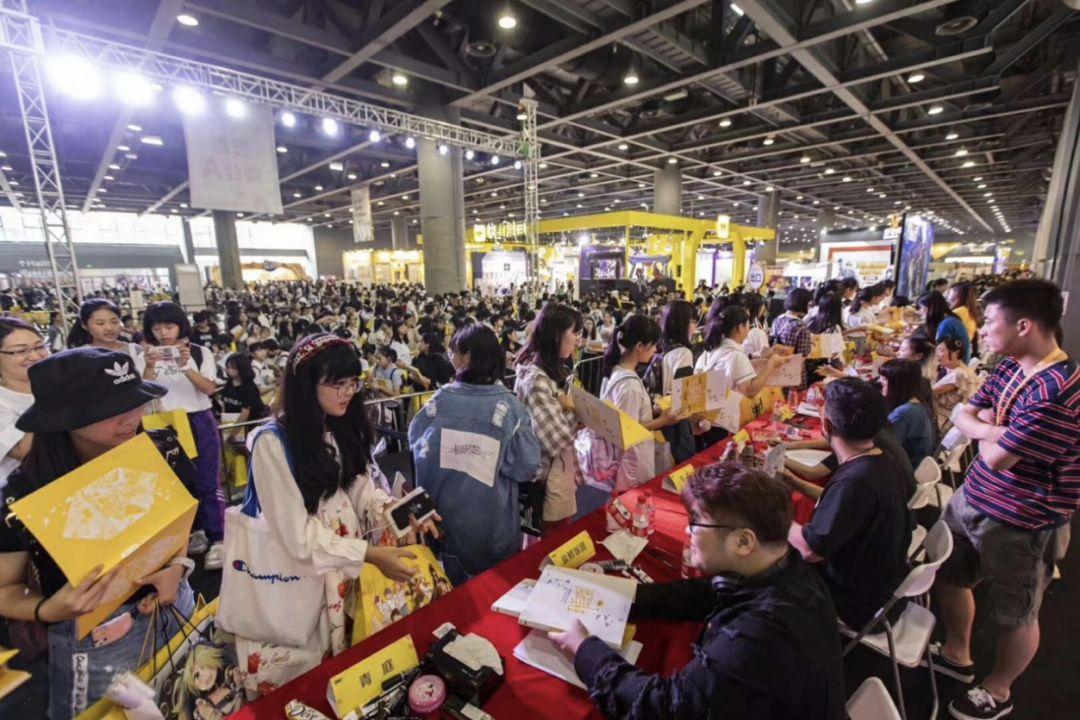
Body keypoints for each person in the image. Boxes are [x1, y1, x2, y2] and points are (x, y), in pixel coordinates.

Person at [549, 462, 845, 720]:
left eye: (696, 523)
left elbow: (663, 708)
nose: (687, 531)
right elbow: (704, 594)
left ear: (743, 542)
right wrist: (621, 598)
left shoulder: (759, 635)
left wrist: (585, 650)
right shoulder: (787, 568)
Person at [230, 334, 436, 699]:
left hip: (343, 570)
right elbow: (297, 537)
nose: (348, 393)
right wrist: (370, 554)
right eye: (337, 384)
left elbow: (361, 490)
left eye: (353, 382)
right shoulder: (273, 444)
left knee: (344, 667)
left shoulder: (340, 426)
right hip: (299, 577)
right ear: (306, 386)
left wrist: (400, 513)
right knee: (303, 683)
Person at [0, 348, 197, 718]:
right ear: (61, 418)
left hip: (176, 606)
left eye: (136, 403)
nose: (131, 418)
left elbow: (181, 522)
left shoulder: (163, 449)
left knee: (192, 699)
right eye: (108, 410)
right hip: (99, 641)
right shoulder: (27, 493)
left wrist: (178, 566)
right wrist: (46, 609)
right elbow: (6, 588)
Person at [932, 279, 1078, 720]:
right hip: (973, 498)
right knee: (951, 575)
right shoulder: (1010, 366)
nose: (982, 330)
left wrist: (986, 432)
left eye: (991, 321)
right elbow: (962, 412)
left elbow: (995, 458)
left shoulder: (1057, 390)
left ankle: (998, 689)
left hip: (1020, 519)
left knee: (1016, 613)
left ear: (1024, 325)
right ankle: (958, 652)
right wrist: (995, 428)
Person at [409, 324, 541, 585]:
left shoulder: (438, 402)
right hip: (491, 528)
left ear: (468, 357)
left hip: (443, 524)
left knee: (449, 594)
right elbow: (527, 466)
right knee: (494, 596)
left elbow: (416, 445)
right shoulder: (510, 408)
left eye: (454, 352)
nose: (451, 357)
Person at [788, 378, 913, 629]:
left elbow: (810, 550)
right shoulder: (883, 462)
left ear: (825, 425)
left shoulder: (855, 483)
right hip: (886, 587)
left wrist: (774, 518)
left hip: (858, 604)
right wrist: (792, 481)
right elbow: (842, 508)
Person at [136, 302, 227, 570]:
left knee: (207, 480)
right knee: (176, 484)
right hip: (163, 423)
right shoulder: (145, 356)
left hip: (197, 419)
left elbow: (209, 388)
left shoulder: (199, 352)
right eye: (156, 328)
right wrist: (149, 367)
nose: (163, 333)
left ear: (180, 326)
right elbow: (141, 392)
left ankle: (219, 536)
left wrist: (185, 366)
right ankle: (195, 530)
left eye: (169, 326)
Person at [579, 315, 684, 513]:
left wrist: (653, 410)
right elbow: (628, 430)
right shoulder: (629, 385)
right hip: (631, 460)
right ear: (639, 346)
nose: (655, 350)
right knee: (632, 507)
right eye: (653, 345)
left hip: (623, 457)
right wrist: (664, 420)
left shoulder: (616, 371)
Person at [514, 302, 583, 531]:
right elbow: (557, 440)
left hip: (554, 471)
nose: (577, 340)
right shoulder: (537, 380)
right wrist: (573, 411)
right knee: (553, 538)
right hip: (547, 476)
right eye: (574, 333)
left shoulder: (543, 369)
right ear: (556, 335)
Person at [694, 306, 788, 448]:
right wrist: (770, 366)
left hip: (707, 417)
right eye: (747, 325)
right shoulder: (735, 355)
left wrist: (763, 359)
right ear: (739, 328)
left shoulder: (713, 349)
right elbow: (750, 391)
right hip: (723, 421)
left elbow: (735, 371)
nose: (749, 330)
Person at [0, 318, 49, 500]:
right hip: (24, 495)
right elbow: (24, 451)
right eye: (21, 351)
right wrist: (48, 394)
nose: (35, 356)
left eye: (39, 347)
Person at [880, 358, 937, 469]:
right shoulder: (917, 403)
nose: (880, 381)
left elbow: (882, 446)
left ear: (899, 384)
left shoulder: (904, 413)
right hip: (912, 464)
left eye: (885, 378)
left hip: (903, 469)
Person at [66, 298, 144, 361]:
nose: (109, 328)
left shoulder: (135, 350)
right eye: (100, 323)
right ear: (84, 325)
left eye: (114, 322)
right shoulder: (80, 357)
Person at [770, 287, 813, 388]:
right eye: (808, 305)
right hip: (794, 373)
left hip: (776, 369)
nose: (809, 309)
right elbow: (804, 354)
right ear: (802, 304)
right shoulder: (800, 326)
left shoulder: (777, 320)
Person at [933, 336, 979, 428]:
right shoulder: (954, 369)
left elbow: (928, 392)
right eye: (937, 350)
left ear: (956, 353)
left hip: (941, 422)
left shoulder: (958, 374)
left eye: (941, 350)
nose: (937, 354)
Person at [218, 352, 269, 430]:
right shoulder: (229, 382)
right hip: (231, 422)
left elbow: (244, 414)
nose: (229, 370)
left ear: (242, 368)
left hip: (249, 425)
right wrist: (225, 424)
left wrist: (233, 433)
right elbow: (224, 404)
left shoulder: (249, 387)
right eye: (227, 367)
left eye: (233, 368)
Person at [919, 290, 971, 362]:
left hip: (955, 364)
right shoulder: (950, 319)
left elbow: (940, 353)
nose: (920, 311)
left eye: (921, 307)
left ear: (929, 308)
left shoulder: (946, 324)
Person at [949, 281, 981, 348]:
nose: (948, 297)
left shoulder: (958, 312)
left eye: (950, 293)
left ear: (957, 295)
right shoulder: (970, 311)